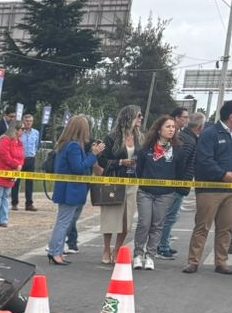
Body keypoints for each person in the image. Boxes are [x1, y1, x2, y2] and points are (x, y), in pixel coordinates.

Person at [184, 99, 232, 275]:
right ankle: (193, 261)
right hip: (210, 188)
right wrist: (222, 175)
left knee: (226, 228)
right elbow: (204, 159)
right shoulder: (211, 133)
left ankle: (221, 262)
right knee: (202, 227)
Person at [43, 115, 103, 266]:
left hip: (67, 188)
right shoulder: (74, 146)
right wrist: (93, 155)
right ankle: (55, 252)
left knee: (64, 221)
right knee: (64, 222)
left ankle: (56, 250)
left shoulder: (65, 145)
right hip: (71, 190)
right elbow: (78, 168)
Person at [131, 114, 179, 269]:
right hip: (145, 192)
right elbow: (139, 169)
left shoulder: (177, 149)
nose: (171, 129)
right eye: (168, 126)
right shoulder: (146, 149)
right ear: (159, 130)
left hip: (166, 194)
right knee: (144, 222)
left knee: (157, 224)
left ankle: (150, 255)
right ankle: (138, 254)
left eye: (173, 127)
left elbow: (181, 170)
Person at [95, 106, 142, 265]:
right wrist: (121, 162)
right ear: (129, 118)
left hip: (132, 182)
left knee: (127, 220)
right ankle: (106, 249)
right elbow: (102, 161)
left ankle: (117, 249)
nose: (141, 119)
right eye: (138, 116)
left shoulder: (140, 138)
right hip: (114, 181)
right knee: (110, 217)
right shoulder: (111, 137)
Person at [157, 110, 203, 259]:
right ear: (200, 127)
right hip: (177, 184)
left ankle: (164, 244)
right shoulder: (188, 140)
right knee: (170, 217)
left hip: (178, 183)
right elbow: (180, 163)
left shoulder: (186, 138)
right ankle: (162, 246)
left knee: (170, 216)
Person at [0, 125, 25, 227]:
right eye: (22, 129)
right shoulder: (5, 140)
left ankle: (4, 219)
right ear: (15, 130)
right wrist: (16, 165)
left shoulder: (20, 143)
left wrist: (19, 165)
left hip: (12, 172)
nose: (23, 131)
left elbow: (21, 156)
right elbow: (5, 156)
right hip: (0, 171)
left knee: (6, 197)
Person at [18, 114, 42, 210]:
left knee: (29, 182)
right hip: (19, 158)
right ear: (23, 121)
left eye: (30, 121)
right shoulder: (19, 132)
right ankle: (14, 202)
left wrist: (33, 153)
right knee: (16, 181)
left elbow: (36, 145)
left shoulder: (36, 132)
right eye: (27, 121)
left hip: (30, 158)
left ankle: (29, 204)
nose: (28, 123)